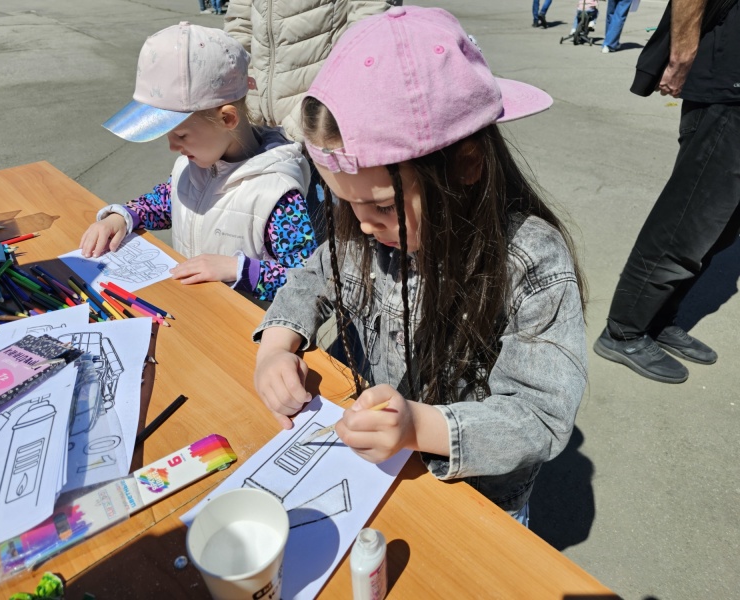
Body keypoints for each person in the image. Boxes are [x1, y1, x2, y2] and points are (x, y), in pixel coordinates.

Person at [252, 6, 588, 525]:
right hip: (376, 474)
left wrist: (418, 427)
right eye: (348, 206)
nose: (362, 227)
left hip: (476, 502)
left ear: (467, 163)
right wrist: (275, 349)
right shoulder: (367, 229)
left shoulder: (530, 261)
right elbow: (312, 275)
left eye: (383, 207)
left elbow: (540, 416)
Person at [80, 23, 317, 302]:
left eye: (180, 134)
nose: (172, 147)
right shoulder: (192, 167)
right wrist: (123, 217)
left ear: (227, 119)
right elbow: (166, 201)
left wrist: (238, 270)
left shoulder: (276, 194)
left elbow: (308, 282)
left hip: (248, 333)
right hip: (195, 313)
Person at [594, 0, 739, 382]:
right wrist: (681, 54)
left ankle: (658, 320)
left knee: (722, 228)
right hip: (728, 84)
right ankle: (623, 331)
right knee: (688, 220)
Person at [224, 0, 401, 242]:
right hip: (263, 127)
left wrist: (304, 120)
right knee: (282, 245)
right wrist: (238, 98)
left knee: (346, 241)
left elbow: (369, 33)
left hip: (325, 128)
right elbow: (239, 25)